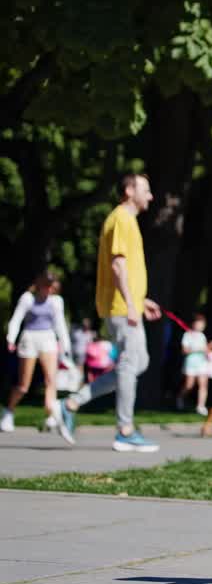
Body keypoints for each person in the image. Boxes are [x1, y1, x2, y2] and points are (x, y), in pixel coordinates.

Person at [53, 174, 161, 451]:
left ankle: (71, 403)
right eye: (146, 190)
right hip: (122, 308)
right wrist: (131, 304)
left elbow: (125, 269)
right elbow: (117, 265)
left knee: (139, 363)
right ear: (129, 190)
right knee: (129, 364)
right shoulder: (122, 218)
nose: (151, 196)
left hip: (127, 304)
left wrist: (140, 300)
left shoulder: (126, 219)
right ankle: (125, 430)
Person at [2, 271, 72, 433]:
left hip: (48, 338)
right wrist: (11, 338)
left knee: (51, 380)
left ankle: (50, 415)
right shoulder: (28, 298)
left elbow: (60, 324)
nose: (49, 290)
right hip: (29, 338)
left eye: (51, 286)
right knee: (23, 386)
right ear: (40, 285)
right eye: (46, 286)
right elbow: (17, 319)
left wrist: (66, 346)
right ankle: (8, 411)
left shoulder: (56, 301)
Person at [175, 314, 211, 415]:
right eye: (199, 323)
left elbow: (205, 350)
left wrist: (208, 351)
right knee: (189, 385)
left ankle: (201, 406)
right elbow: (184, 350)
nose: (201, 326)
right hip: (191, 363)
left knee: (203, 384)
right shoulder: (187, 335)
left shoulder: (202, 336)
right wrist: (198, 349)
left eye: (202, 324)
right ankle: (180, 398)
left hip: (202, 363)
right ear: (193, 324)